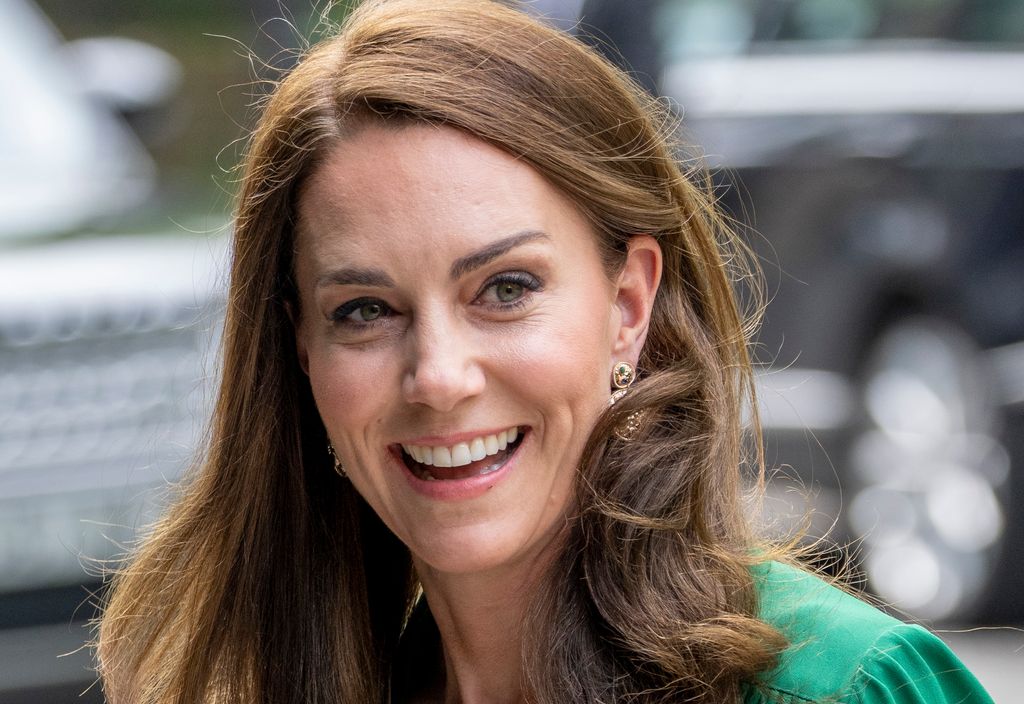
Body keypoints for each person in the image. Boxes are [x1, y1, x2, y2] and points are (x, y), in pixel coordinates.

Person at [96, 1, 994, 702]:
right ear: (300, 349)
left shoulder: (846, 689)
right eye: (366, 310)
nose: (440, 377)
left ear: (628, 304)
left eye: (506, 290)